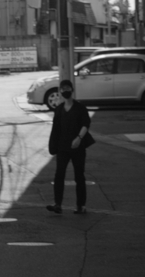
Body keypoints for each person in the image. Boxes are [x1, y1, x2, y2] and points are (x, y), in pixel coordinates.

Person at [46, 79, 93, 215]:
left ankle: (81, 206)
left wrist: (79, 138)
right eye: (63, 89)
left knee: (79, 176)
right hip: (62, 148)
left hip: (78, 147)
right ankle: (57, 204)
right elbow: (56, 129)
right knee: (59, 175)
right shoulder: (59, 109)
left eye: (67, 88)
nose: (65, 91)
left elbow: (86, 124)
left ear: (72, 90)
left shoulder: (80, 108)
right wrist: (53, 146)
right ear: (60, 92)